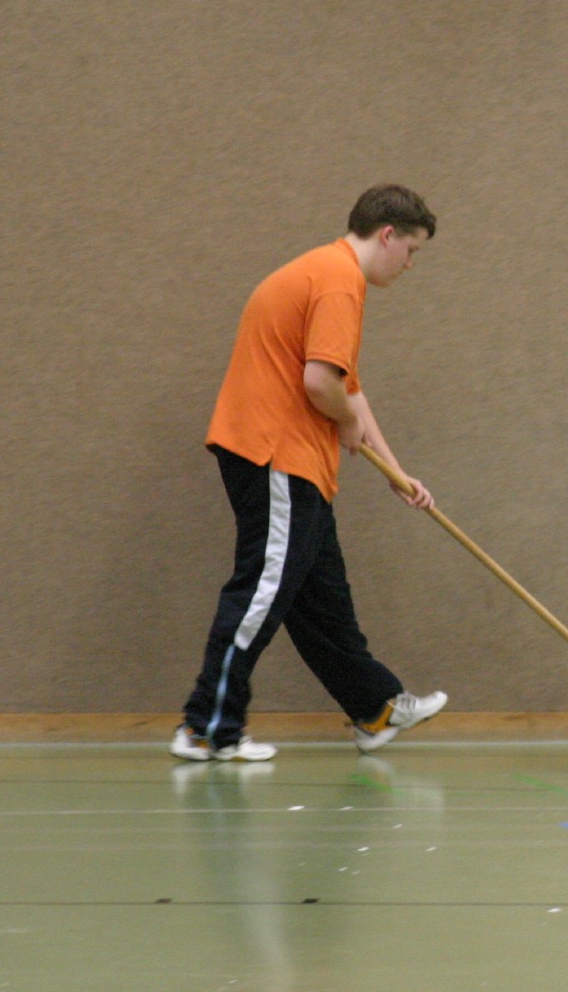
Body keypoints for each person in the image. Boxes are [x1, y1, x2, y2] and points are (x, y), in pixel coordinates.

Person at [172, 185, 449, 763]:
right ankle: (207, 728)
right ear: (388, 235)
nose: (410, 265)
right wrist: (343, 420)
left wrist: (398, 474)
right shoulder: (338, 280)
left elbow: (349, 392)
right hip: (276, 455)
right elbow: (321, 385)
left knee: (321, 600)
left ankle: (374, 708)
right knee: (262, 590)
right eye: (412, 251)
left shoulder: (327, 272)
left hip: (295, 463)